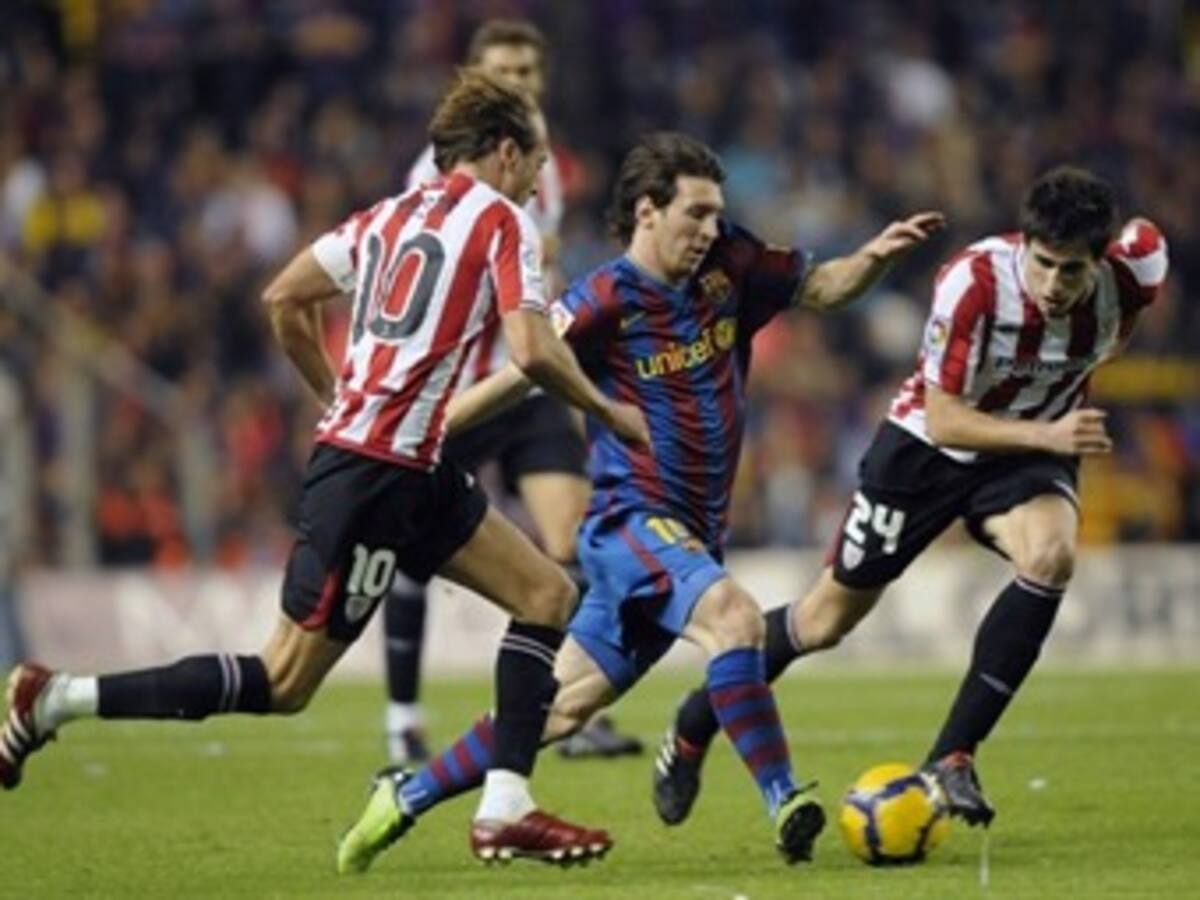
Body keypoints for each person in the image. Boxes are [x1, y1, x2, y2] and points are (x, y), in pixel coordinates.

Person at [0, 70, 651, 864]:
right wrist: (612, 413)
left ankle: (505, 804)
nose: (540, 179)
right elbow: (530, 347)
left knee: (547, 593)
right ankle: (56, 697)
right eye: (536, 161)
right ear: (507, 151)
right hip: (376, 475)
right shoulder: (501, 220)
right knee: (283, 683)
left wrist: (336, 394)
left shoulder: (385, 215)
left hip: (403, 462)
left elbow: (284, 296)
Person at [334, 131, 944, 873]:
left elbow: (823, 286)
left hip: (689, 536)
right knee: (735, 617)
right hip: (628, 523)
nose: (710, 230)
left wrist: (876, 258)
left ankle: (402, 798)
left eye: (716, 214)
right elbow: (520, 375)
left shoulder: (732, 267)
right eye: (695, 214)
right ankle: (787, 799)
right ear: (647, 212)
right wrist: (423, 430)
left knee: (557, 710)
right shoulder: (599, 302)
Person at [652, 165, 1168, 830]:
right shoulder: (974, 284)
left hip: (1026, 453)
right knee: (823, 622)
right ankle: (694, 724)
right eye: (1042, 264)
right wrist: (1049, 428)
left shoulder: (1133, 278)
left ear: (1100, 263)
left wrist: (1051, 419)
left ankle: (952, 756)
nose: (1054, 285)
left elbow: (1132, 292)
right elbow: (946, 415)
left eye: (1072, 271)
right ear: (1023, 246)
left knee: (1050, 557)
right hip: (926, 450)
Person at [384, 17, 639, 765]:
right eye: (504, 72)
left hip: (526, 384)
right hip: (457, 393)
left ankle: (568, 710)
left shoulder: (545, 166)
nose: (519, 84)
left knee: (572, 541)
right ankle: (402, 719)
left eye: (528, 72)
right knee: (411, 553)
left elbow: (545, 281)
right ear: (472, 79)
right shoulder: (429, 181)